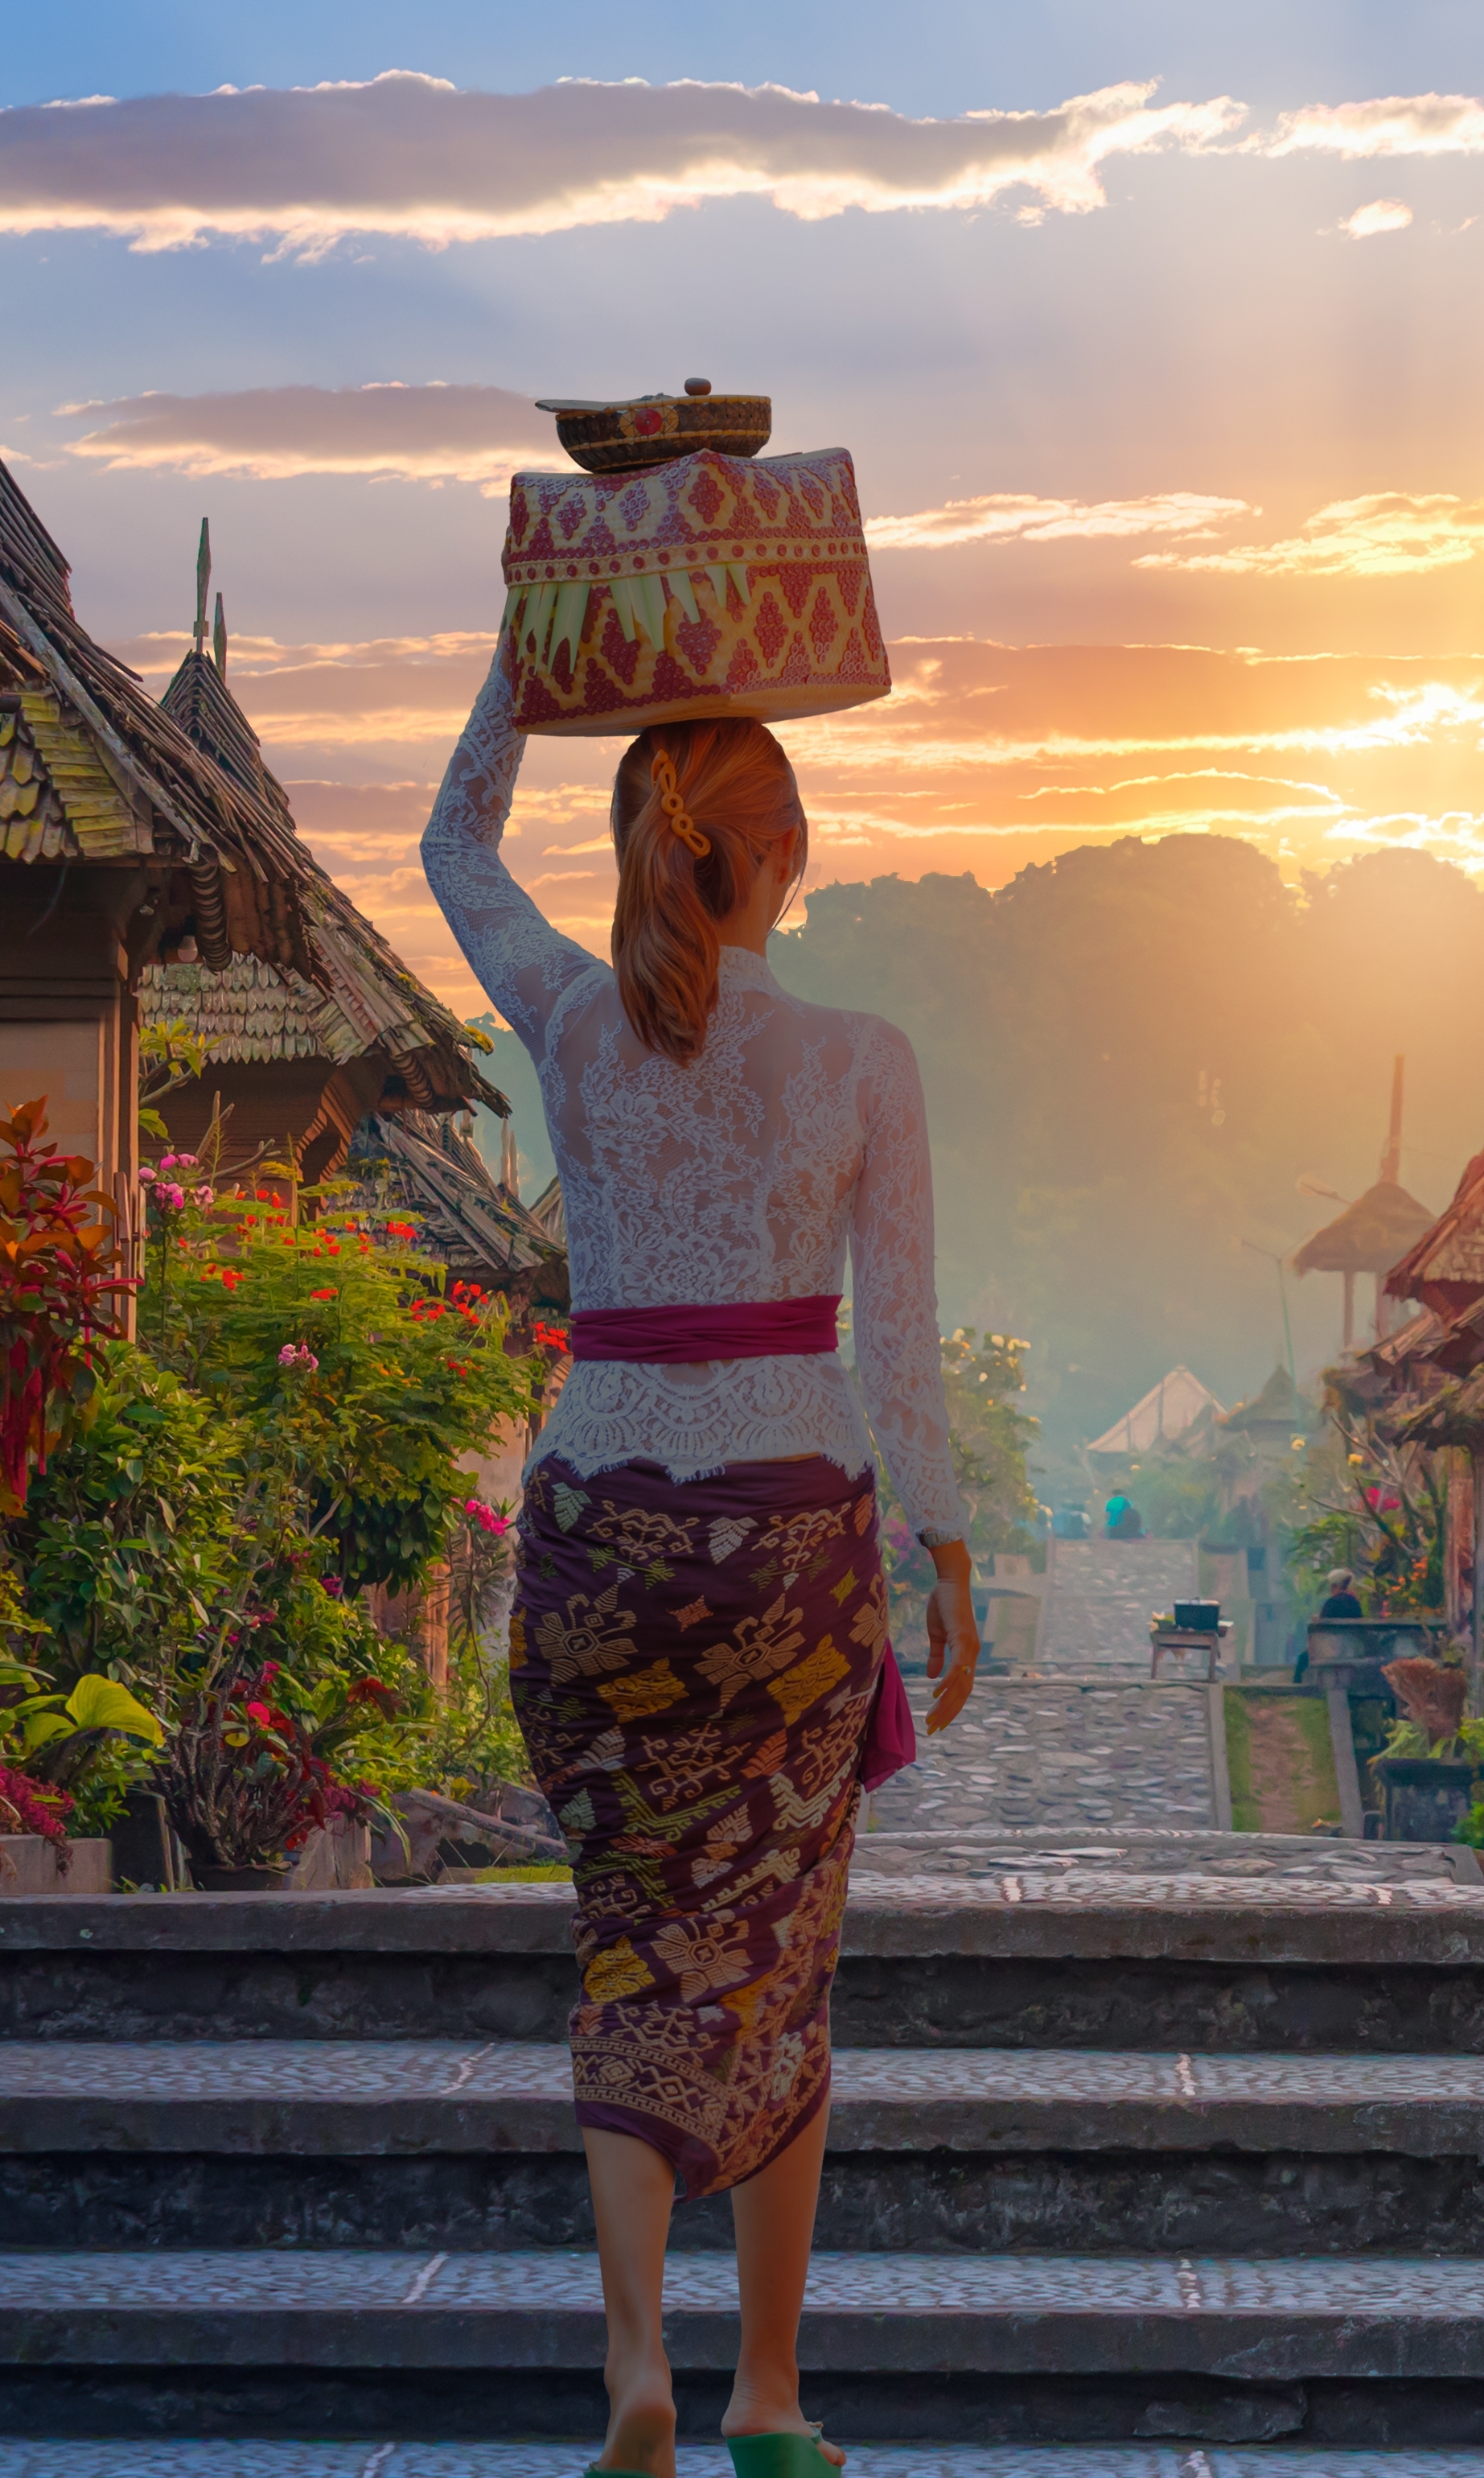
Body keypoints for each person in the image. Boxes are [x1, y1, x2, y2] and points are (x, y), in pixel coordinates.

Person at [423, 661, 980, 2478]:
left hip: (600, 1531)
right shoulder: (862, 1058)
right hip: (793, 1549)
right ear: (788, 849)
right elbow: (897, 1339)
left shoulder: (574, 1022)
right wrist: (946, 1550)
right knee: (777, 1957)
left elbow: (450, 843)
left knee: (638, 1947)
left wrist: (528, 661)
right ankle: (767, 2393)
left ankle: (636, 2362)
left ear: (644, 849)